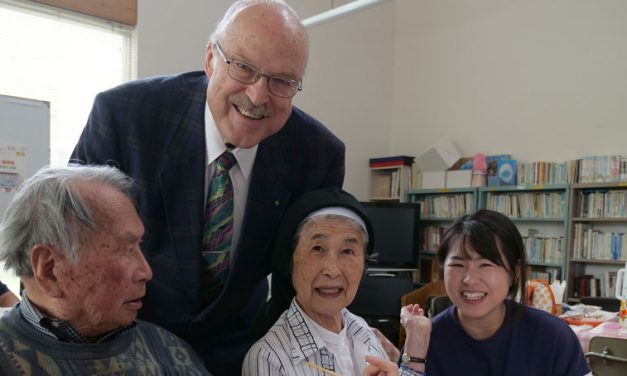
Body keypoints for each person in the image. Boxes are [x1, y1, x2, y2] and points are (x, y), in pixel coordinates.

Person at [70, 0, 345, 373]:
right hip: (121, 343)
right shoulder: (125, 117)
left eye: (281, 81)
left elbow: (298, 285)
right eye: (244, 68)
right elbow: (68, 241)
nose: (257, 96)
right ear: (211, 59)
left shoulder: (317, 155)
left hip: (240, 350)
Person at [0, 165, 210, 375]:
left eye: (139, 245)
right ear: (50, 269)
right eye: (125, 250)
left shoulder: (170, 352)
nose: (146, 272)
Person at [400, 209, 591, 375]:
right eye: (458, 264)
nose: (470, 279)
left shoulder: (553, 336)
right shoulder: (424, 340)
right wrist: (415, 352)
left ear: (515, 272)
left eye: (485, 265)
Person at [243, 187, 402, 375]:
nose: (332, 270)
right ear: (290, 260)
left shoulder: (365, 332)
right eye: (317, 248)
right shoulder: (270, 358)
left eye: (347, 251)